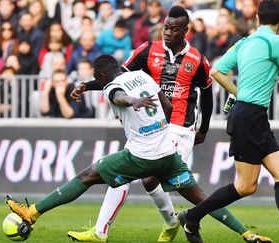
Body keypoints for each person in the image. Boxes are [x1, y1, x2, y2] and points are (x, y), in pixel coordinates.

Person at [5, 54, 271, 243]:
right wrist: (157, 124)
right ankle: (247, 234)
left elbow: (117, 97)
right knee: (202, 198)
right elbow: (168, 107)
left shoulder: (113, 86)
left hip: (140, 157)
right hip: (168, 153)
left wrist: (131, 101)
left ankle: (33, 213)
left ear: (101, 76)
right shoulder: (142, 76)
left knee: (86, 176)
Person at [68, 5, 266, 243]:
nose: (168, 32)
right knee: (140, 176)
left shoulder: (197, 60)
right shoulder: (147, 50)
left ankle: (176, 223)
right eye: (166, 27)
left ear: (186, 30)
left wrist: (202, 129)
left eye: (174, 28)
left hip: (180, 128)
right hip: (152, 126)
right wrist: (87, 86)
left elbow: (207, 94)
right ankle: (171, 223)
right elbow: (115, 79)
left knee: (144, 176)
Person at [177, 1, 279, 243]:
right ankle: (192, 217)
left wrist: (238, 93)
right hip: (250, 117)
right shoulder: (277, 42)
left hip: (250, 115)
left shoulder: (244, 42)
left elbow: (216, 71)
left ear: (257, 19)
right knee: (246, 186)